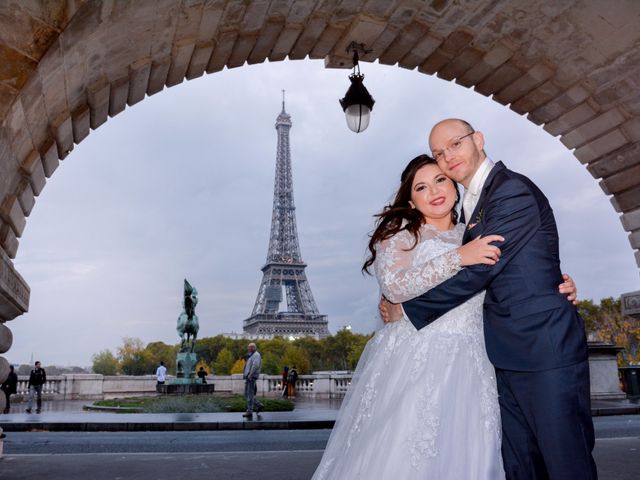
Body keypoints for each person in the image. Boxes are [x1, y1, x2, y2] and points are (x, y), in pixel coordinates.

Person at [312, 154, 578, 479]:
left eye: (440, 180)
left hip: (479, 356)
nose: (434, 191)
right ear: (411, 200)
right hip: (421, 356)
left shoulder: (475, 230)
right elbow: (395, 287)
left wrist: (557, 284)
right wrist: (458, 257)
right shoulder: (401, 235)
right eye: (421, 187)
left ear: (454, 185)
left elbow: (513, 270)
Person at [398, 119, 597, 479]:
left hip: (543, 350)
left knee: (565, 463)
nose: (448, 158)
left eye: (455, 144)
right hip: (505, 355)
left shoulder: (511, 191)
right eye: (439, 154)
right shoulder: (468, 209)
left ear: (479, 140)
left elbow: (481, 270)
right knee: (522, 466)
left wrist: (407, 309)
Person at [242, 343, 263, 418]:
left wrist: (250, 375)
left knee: (249, 394)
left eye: (249, 348)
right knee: (247, 394)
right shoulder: (252, 355)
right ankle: (258, 405)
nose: (248, 349)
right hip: (249, 376)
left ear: (253, 348)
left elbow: (255, 365)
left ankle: (249, 411)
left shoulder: (256, 355)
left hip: (251, 377)